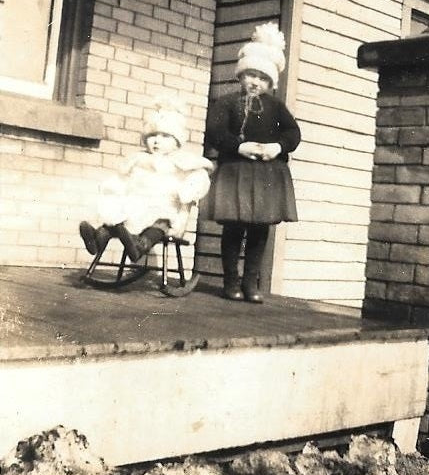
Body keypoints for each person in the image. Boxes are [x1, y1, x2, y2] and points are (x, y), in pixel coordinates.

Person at [204, 22, 301, 304]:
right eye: (251, 75)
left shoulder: (276, 107)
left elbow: (293, 133)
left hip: (267, 174)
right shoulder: (227, 103)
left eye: (262, 78)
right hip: (236, 172)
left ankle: (251, 283)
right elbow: (215, 131)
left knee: (260, 229)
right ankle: (230, 282)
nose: (255, 82)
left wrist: (277, 147)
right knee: (234, 228)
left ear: (270, 83)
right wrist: (239, 146)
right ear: (241, 75)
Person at [79, 96, 213, 263]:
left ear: (177, 142)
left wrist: (186, 199)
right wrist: (113, 192)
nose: (157, 141)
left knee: (160, 224)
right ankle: (97, 238)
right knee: (116, 219)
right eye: (152, 135)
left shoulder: (183, 162)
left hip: (165, 208)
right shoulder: (139, 159)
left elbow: (197, 181)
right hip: (136, 205)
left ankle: (139, 246)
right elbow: (122, 179)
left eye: (165, 136)